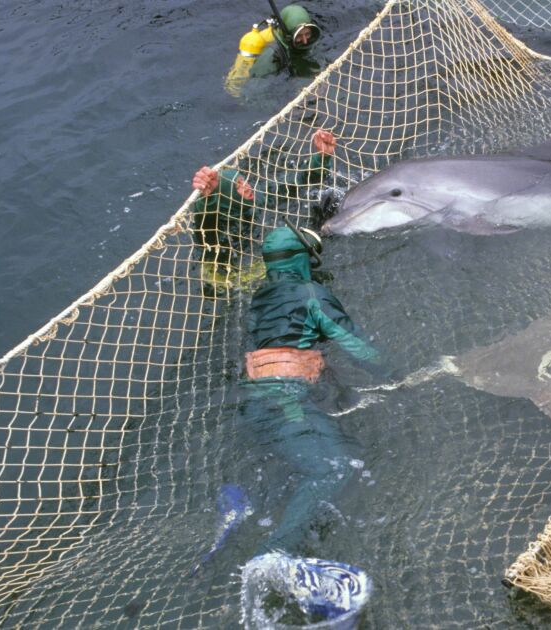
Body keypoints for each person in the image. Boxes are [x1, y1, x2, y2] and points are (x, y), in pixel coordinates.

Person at [226, 223, 382, 558]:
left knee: (301, 461)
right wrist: (397, 373)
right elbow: (356, 345)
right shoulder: (312, 295)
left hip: (253, 404)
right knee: (337, 467)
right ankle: (276, 553)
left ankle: (251, 507)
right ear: (304, 260)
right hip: (287, 401)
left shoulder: (260, 298)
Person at [190, 129, 337, 291]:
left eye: (242, 180)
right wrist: (206, 198)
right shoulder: (216, 227)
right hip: (225, 280)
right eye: (237, 186)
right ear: (225, 197)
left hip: (258, 264)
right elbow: (203, 218)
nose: (246, 186)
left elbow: (299, 180)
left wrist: (322, 158)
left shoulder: (257, 198)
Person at [225, 3, 322, 97]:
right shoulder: (271, 57)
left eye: (307, 34)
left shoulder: (303, 43)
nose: (305, 41)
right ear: (288, 35)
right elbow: (251, 93)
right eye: (299, 36)